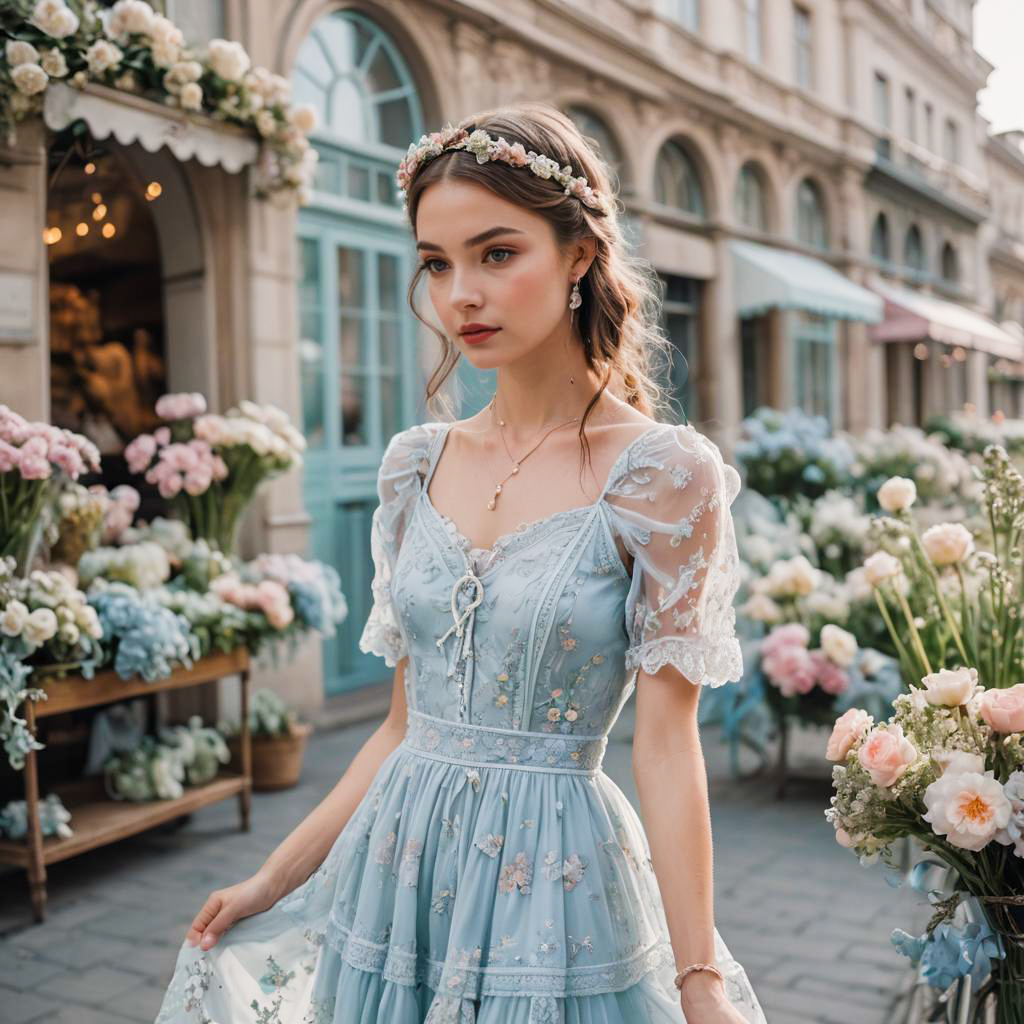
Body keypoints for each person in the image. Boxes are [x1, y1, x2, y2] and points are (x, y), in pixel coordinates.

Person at [154, 103, 767, 1024]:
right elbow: (401, 727)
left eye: (495, 254)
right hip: (396, 879)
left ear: (580, 257)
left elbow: (668, 745)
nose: (460, 296)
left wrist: (700, 982)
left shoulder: (665, 474)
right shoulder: (412, 466)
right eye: (436, 264)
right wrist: (271, 879)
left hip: (554, 893)